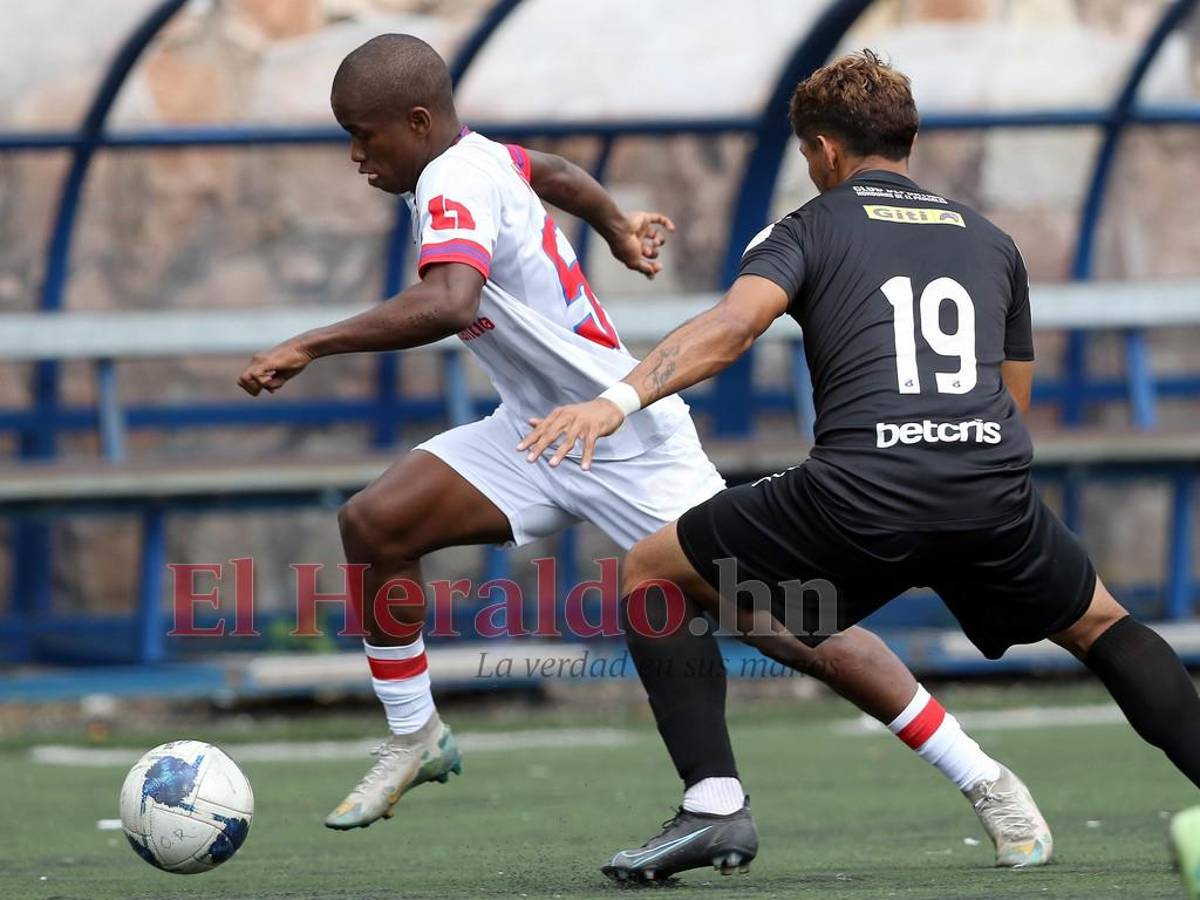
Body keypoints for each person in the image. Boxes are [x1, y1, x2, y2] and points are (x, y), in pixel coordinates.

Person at [238, 35, 1049, 878]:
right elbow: (548, 170)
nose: (356, 156)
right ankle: (417, 734)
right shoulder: (474, 157)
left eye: (364, 136)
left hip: (627, 442)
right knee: (374, 523)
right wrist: (615, 223)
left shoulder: (450, 177)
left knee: (785, 622)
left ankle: (983, 778)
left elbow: (450, 301)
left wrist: (308, 343)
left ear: (416, 121)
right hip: (535, 430)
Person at [520, 48, 1200, 882]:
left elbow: (731, 331)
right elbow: (1010, 400)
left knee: (654, 571)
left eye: (808, 154)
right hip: (990, 492)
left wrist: (615, 401)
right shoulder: (992, 241)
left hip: (862, 494)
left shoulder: (807, 227)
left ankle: (713, 806)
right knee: (1103, 626)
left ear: (826, 153)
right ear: (905, 142)